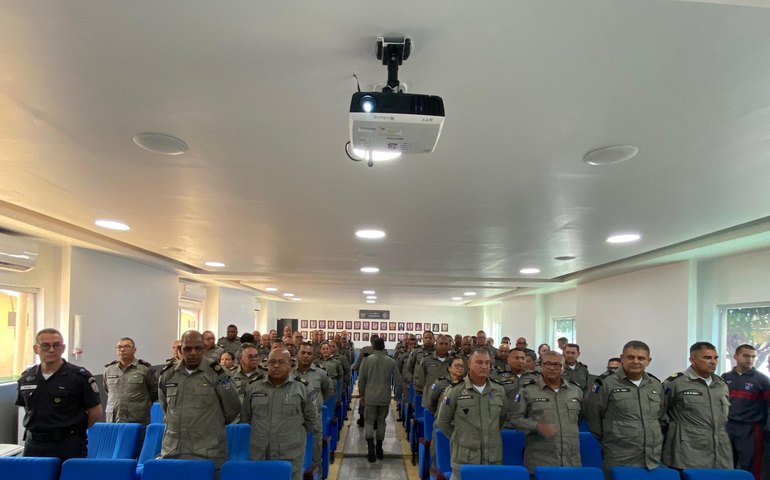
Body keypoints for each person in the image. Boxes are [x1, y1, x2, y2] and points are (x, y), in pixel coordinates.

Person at [158, 330, 241, 475]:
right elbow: (166, 409)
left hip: (208, 452)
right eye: (188, 349)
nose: (193, 353)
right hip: (174, 451)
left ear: (204, 348)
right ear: (180, 350)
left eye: (198, 348)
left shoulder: (218, 373)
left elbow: (232, 407)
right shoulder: (168, 375)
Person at [16, 328, 103, 460]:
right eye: (45, 346)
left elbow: (96, 413)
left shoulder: (79, 377)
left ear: (63, 348)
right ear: (36, 349)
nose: (51, 350)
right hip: (34, 445)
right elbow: (28, 409)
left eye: (56, 345)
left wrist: (74, 431)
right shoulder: (27, 377)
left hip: (67, 445)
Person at [585, 340, 664, 470]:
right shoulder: (605, 383)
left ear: (649, 361)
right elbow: (593, 417)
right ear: (622, 358)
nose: (636, 361)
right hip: (619, 455)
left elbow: (659, 415)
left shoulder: (655, 384)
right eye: (631, 357)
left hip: (651, 457)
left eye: (641, 358)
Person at [242, 348, 318, 480]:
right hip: (260, 454)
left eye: (281, 362)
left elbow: (311, 420)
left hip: (290, 455)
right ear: (267, 364)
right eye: (272, 362)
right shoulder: (253, 387)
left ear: (290, 364)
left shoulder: (303, 388)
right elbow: (246, 417)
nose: (276, 366)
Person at [436, 348, 507, 480]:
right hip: (464, 459)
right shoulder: (455, 390)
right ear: (469, 364)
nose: (484, 366)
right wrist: (460, 438)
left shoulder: (498, 390)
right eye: (479, 362)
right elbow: (443, 421)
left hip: (493, 458)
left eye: (487, 363)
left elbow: (502, 419)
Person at [662, 341, 732, 469]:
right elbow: (660, 413)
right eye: (707, 358)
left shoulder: (720, 384)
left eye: (715, 358)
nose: (713, 362)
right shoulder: (676, 383)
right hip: (688, 450)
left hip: (720, 450)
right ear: (692, 360)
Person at [509, 351, 583, 472]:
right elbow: (515, 419)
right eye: (547, 364)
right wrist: (537, 426)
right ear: (541, 366)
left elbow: (581, 417)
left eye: (556, 364)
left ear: (563, 368)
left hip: (571, 461)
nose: (551, 368)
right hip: (540, 460)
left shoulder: (576, 391)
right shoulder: (527, 390)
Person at [722, 344, 770, 478]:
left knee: (750, 464)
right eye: (746, 355)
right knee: (726, 463)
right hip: (727, 426)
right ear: (735, 356)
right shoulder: (725, 378)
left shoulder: (762, 380)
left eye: (753, 357)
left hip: (751, 428)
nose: (750, 359)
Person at [103, 337, 158, 425]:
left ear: (134, 350)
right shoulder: (109, 370)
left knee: (138, 439)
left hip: (137, 419)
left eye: (127, 346)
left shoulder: (145, 369)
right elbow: (108, 391)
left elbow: (154, 392)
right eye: (119, 347)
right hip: (114, 419)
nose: (122, 349)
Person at [358, 335, 396, 462]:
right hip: (384, 397)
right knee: (381, 422)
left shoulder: (367, 360)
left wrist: (362, 394)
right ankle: (379, 448)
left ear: (373, 347)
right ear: (384, 347)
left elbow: (362, 380)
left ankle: (370, 448)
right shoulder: (391, 361)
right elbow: (398, 380)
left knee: (369, 421)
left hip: (370, 396)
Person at [415, 334, 452, 407]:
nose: (443, 346)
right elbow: (421, 379)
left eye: (446, 344)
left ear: (449, 346)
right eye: (441, 344)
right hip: (430, 398)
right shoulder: (426, 359)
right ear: (436, 345)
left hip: (448, 399)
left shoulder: (453, 360)